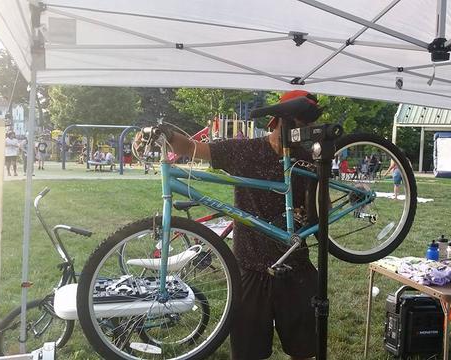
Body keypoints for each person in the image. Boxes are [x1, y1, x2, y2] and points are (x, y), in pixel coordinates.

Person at [137, 90, 320, 360]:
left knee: (305, 350)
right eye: (294, 123)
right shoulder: (244, 150)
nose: (299, 131)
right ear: (276, 121)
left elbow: (320, 208)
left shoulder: (307, 159)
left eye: (305, 126)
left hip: (295, 265)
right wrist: (163, 134)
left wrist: (313, 207)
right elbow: (193, 148)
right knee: (248, 353)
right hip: (248, 267)